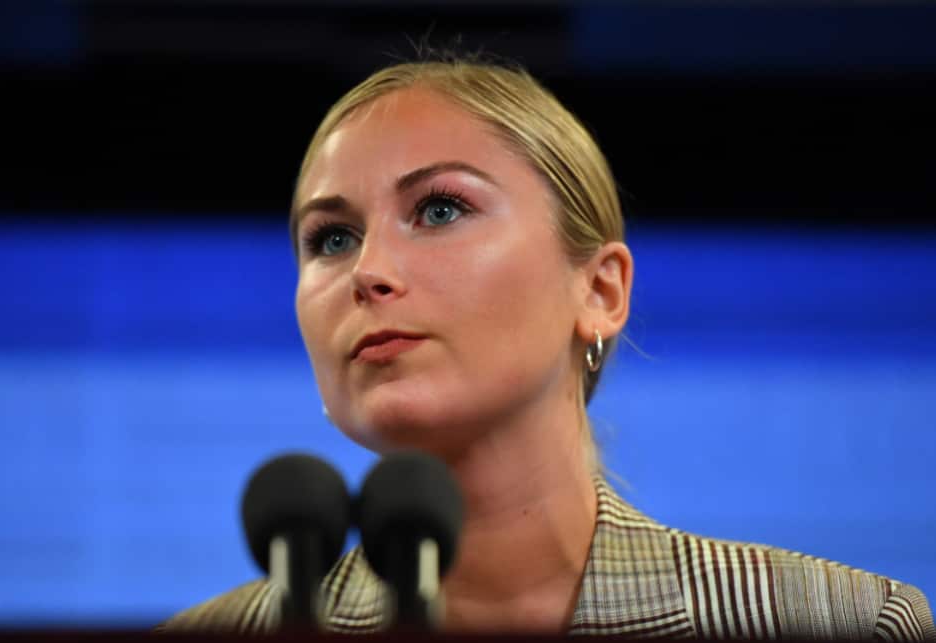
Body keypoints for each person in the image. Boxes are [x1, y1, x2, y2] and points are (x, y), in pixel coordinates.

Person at [160, 56, 935, 638]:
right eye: (331, 238)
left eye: (439, 209)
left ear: (599, 291)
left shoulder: (842, 623)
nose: (368, 271)